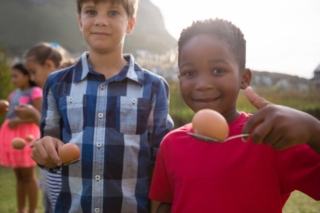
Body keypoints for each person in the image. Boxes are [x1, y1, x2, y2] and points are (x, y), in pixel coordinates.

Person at [149, 18, 320, 213]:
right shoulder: (171, 144)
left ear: (244, 78)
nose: (203, 83)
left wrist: (313, 130)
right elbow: (165, 204)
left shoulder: (269, 138)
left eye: (218, 70)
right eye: (189, 73)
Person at [30, 0, 174, 213]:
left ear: (130, 24)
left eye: (113, 12)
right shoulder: (57, 83)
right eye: (91, 12)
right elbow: (49, 152)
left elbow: (159, 165)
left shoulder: (153, 87)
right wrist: (45, 152)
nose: (100, 21)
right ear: (80, 21)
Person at [15, 42, 74, 213]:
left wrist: (34, 115)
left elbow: (63, 130)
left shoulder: (67, 90)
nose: (32, 79)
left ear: (48, 65)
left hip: (62, 177)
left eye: (33, 72)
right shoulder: (52, 91)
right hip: (51, 175)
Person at [0, 63, 42, 213]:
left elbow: (40, 115)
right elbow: (9, 111)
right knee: (18, 175)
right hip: (11, 134)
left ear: (27, 76)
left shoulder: (35, 92)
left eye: (16, 76)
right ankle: (21, 210)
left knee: (28, 175)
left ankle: (32, 210)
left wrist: (19, 121)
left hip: (26, 136)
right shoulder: (14, 94)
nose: (13, 79)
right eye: (12, 76)